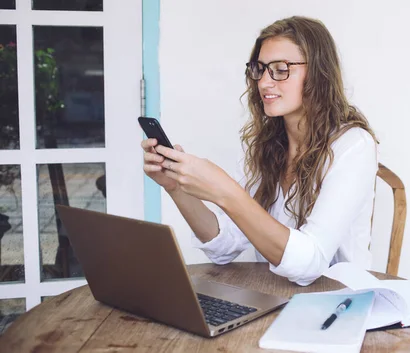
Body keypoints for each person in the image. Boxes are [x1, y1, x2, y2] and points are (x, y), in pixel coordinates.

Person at [141, 16, 379, 286]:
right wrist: (176, 188)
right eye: (260, 69)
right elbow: (224, 247)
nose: (264, 82)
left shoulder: (353, 146)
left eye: (280, 69)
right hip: (276, 298)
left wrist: (226, 192)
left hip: (338, 306)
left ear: (318, 74)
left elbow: (310, 262)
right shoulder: (270, 145)